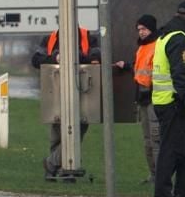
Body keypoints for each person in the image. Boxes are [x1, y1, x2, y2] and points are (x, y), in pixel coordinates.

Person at [31, 25, 101, 181]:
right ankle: (62, 170)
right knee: (57, 135)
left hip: (84, 94)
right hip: (55, 93)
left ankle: (53, 164)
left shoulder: (88, 38)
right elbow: (36, 60)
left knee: (76, 132)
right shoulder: (50, 39)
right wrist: (55, 58)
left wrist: (72, 57)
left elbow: (96, 58)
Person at [151, 1, 185, 197]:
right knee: (171, 150)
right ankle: (162, 196)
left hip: (174, 102)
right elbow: (180, 74)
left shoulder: (170, 34)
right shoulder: (180, 39)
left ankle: (183, 191)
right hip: (175, 103)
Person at [113, 14, 160, 185]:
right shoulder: (142, 47)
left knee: (156, 140)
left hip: (156, 98)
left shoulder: (158, 45)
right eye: (139, 29)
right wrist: (126, 66)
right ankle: (154, 175)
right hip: (143, 99)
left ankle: (161, 178)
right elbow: (139, 68)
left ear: (152, 29)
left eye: (144, 29)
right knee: (147, 141)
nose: (141, 32)